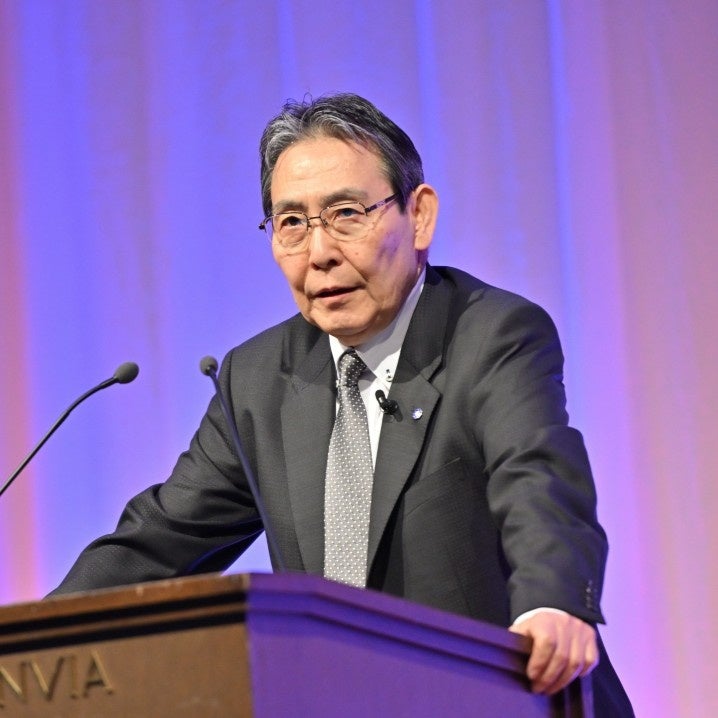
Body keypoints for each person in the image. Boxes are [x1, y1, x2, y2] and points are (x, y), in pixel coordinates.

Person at [51, 93, 633, 715]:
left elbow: (536, 475)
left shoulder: (491, 335)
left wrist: (553, 600)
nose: (319, 252)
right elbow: (159, 542)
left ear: (419, 215)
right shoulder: (258, 379)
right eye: (291, 223)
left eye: (346, 213)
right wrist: (33, 649)